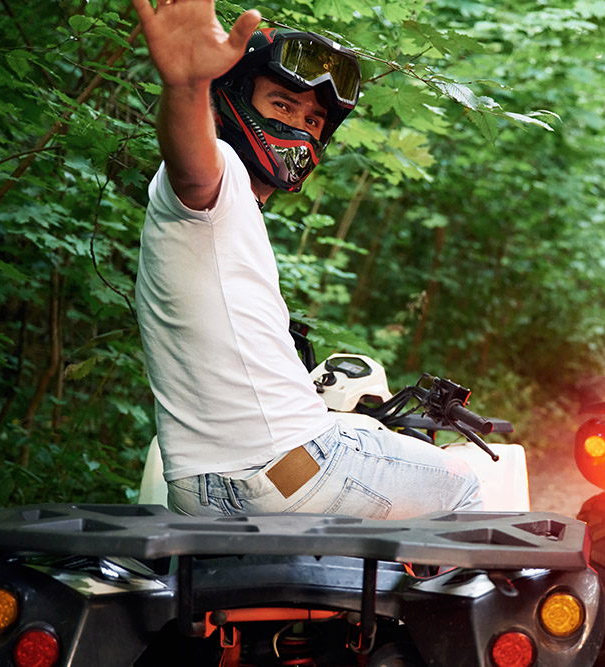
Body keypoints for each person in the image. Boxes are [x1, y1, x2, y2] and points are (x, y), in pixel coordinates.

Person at [130, 0, 482, 518]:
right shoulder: (217, 178)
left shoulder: (225, 220)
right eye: (281, 104)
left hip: (195, 488)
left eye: (313, 119)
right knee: (463, 483)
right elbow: (194, 167)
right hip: (289, 471)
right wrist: (186, 88)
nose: (299, 126)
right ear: (232, 99)